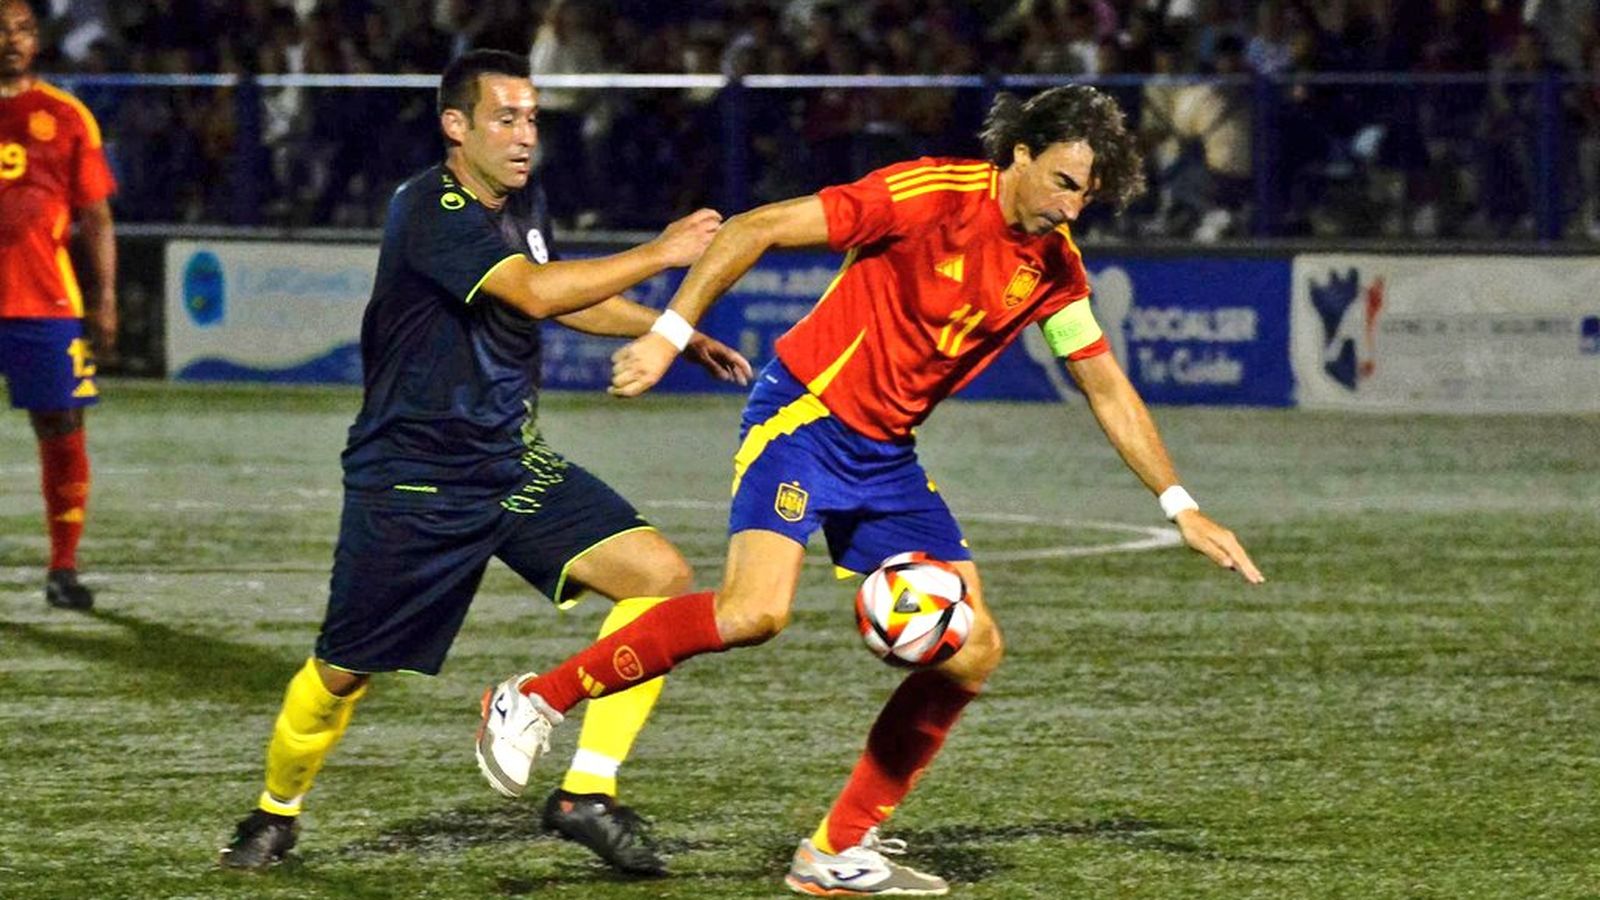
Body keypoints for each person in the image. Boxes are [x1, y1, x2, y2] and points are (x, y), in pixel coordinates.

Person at [476, 84, 1266, 896]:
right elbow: (757, 227)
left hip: (885, 456)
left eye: (1087, 195)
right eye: (1063, 182)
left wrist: (1181, 504)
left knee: (975, 651)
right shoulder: (926, 194)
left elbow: (1103, 385)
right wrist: (668, 334)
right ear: (1021, 155)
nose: (1071, 208)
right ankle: (534, 698)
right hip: (805, 417)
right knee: (754, 613)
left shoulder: (1051, 270)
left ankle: (835, 850)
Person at [218, 49, 752, 875]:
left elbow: (562, 288)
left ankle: (587, 794)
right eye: (506, 118)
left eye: (533, 117)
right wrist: (662, 252)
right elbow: (534, 295)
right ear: (455, 126)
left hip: (509, 462)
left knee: (659, 578)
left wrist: (670, 332)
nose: (525, 134)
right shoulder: (428, 206)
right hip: (414, 478)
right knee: (344, 672)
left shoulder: (519, 199)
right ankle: (273, 812)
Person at [0, 0, 117, 612]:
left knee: (63, 429)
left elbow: (96, 216)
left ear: (36, 39)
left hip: (42, 301)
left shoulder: (66, 116)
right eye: (1, 29)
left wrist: (106, 298)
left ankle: (63, 568)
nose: (11, 39)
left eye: (21, 29)